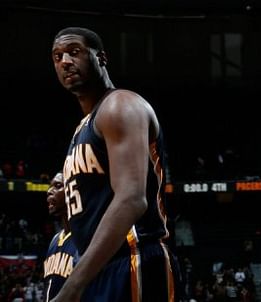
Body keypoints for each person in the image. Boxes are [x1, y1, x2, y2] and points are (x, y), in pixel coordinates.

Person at [50, 27, 177, 301]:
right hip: (98, 267)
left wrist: (72, 287)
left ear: (102, 58)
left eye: (75, 52)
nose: (65, 61)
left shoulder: (120, 105)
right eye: (57, 56)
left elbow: (132, 199)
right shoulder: (83, 127)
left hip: (133, 257)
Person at [43, 171, 79, 301]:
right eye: (50, 186)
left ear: (73, 190)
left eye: (58, 186)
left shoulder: (87, 237)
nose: (49, 191)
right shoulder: (54, 240)